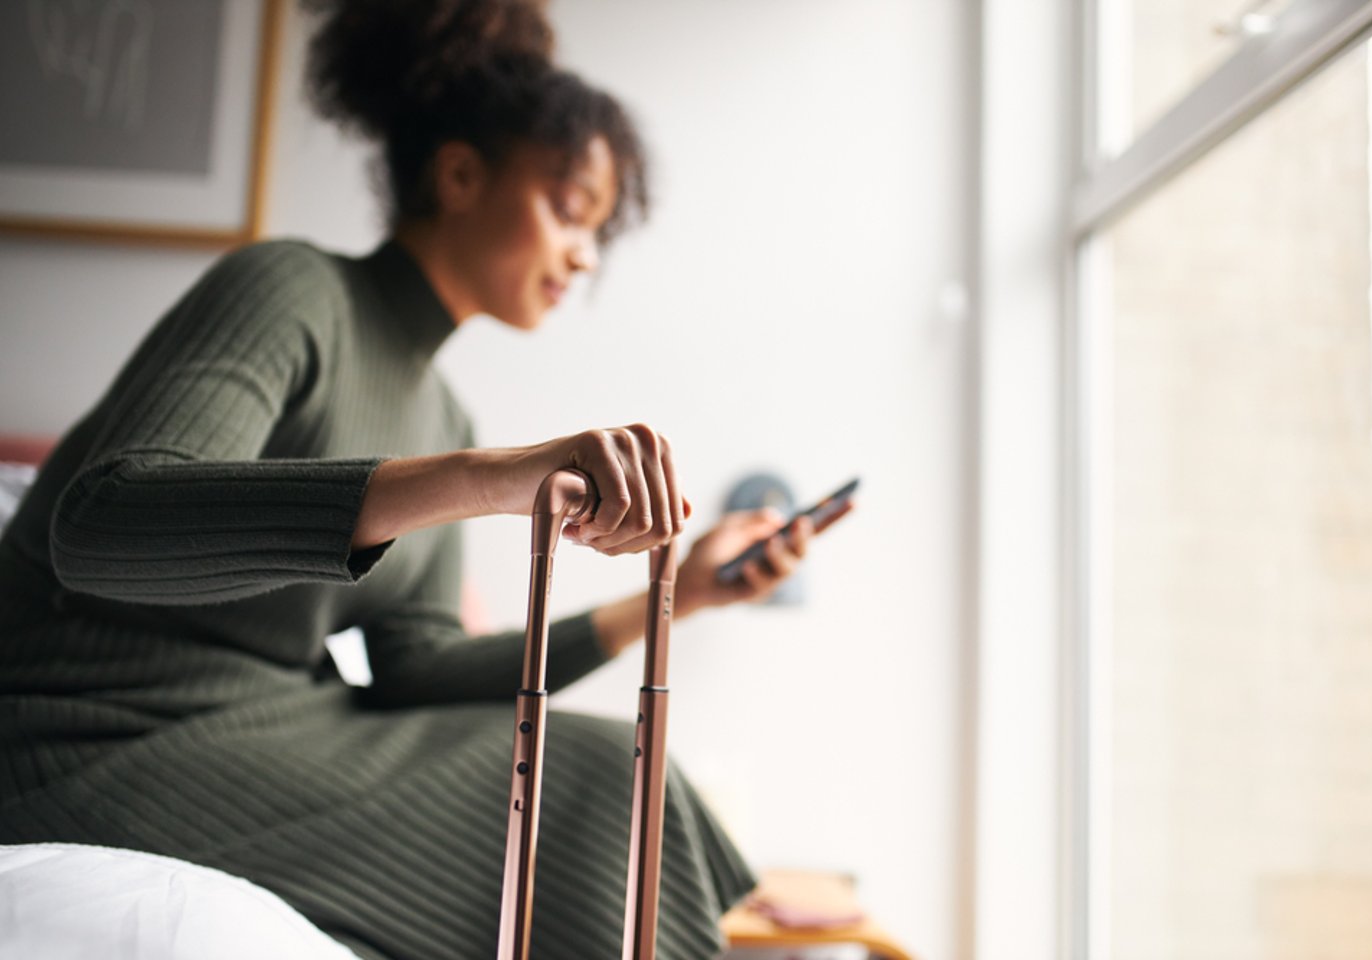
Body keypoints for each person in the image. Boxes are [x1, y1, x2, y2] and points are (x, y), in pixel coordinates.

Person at [0, 2, 824, 957]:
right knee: (597, 792)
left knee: (618, 770)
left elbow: (414, 671)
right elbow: (100, 523)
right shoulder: (291, 291)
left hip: (280, 726)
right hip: (89, 733)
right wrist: (489, 479)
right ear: (461, 175)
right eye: (567, 208)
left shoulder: (444, 415)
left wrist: (674, 598)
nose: (583, 254)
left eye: (599, 229)